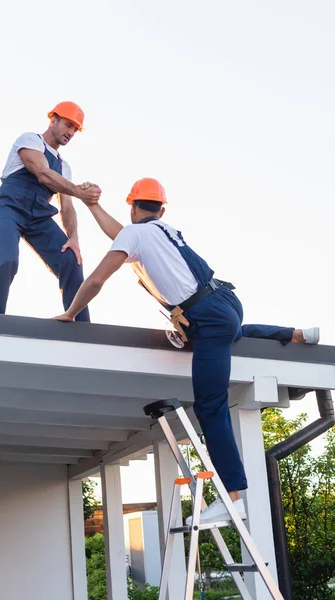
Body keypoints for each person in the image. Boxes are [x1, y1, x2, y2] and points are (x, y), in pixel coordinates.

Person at [54, 178, 320, 523]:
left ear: (133, 206)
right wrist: (92, 207)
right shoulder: (163, 230)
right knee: (232, 335)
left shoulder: (135, 235)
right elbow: (122, 235)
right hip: (225, 303)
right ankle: (295, 333)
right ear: (161, 209)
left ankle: (233, 496)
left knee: (210, 405)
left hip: (207, 317)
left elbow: (96, 279)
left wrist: (71, 313)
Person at [0, 101, 101, 319]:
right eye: (68, 125)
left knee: (71, 261)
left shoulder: (64, 166)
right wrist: (78, 190)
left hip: (39, 216)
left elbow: (66, 206)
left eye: (75, 129)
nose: (71, 132)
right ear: (53, 120)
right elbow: (42, 173)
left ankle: (81, 328)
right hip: (11, 206)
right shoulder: (30, 140)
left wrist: (73, 238)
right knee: (7, 259)